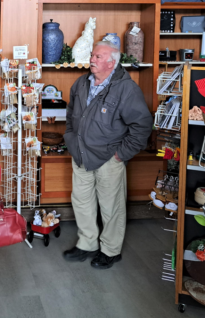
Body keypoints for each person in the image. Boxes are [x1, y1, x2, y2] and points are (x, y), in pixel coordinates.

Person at [62, 41, 152, 270]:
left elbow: (142, 126)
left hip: (109, 158)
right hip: (80, 154)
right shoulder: (81, 83)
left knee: (111, 206)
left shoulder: (126, 89)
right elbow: (71, 113)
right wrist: (71, 138)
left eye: (98, 56)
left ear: (112, 62)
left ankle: (110, 250)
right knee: (82, 202)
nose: (92, 59)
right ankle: (87, 244)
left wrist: (121, 155)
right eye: (93, 55)